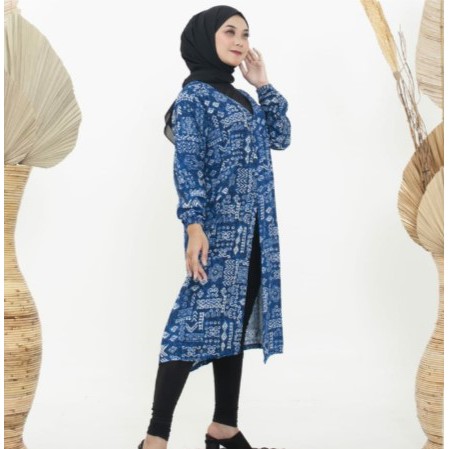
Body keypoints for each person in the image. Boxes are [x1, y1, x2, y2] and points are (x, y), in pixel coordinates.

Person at [138, 5, 291, 449]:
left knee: (232, 325)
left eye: (245, 33)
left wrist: (263, 85)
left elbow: (281, 137)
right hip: (218, 232)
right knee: (189, 327)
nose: (240, 41)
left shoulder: (243, 97)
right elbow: (187, 164)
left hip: (257, 231)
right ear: (206, 38)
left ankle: (224, 425)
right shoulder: (194, 98)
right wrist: (194, 226)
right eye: (229, 31)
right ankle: (155, 437)